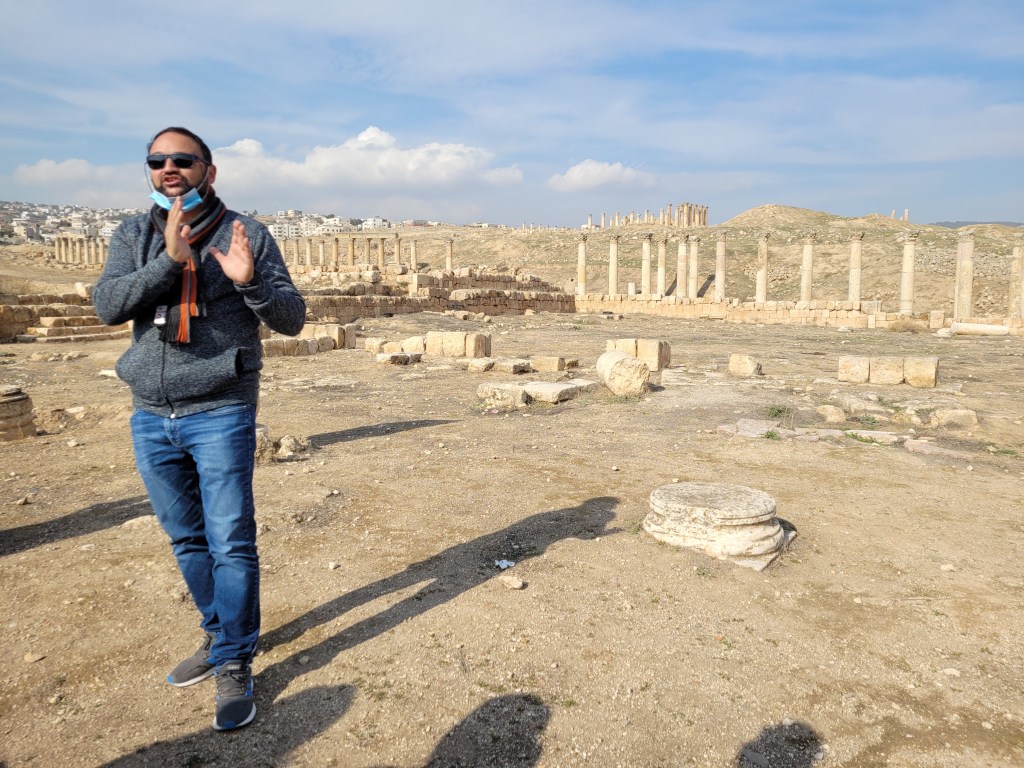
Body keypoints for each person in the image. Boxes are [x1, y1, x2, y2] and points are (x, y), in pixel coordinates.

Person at [93, 127, 306, 731]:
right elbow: (108, 306)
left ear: (208, 171)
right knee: (186, 538)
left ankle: (235, 657)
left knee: (230, 540)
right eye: (157, 160)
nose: (169, 168)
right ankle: (219, 636)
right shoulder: (133, 234)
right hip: (150, 412)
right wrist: (169, 260)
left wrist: (249, 282)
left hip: (220, 408)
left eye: (183, 160)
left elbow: (291, 318)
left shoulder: (247, 234)